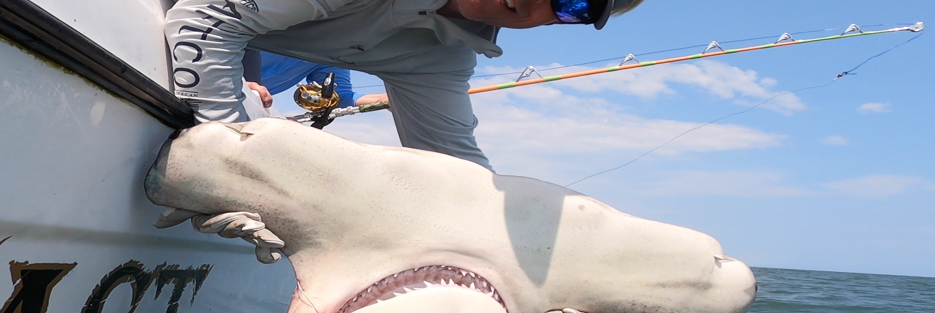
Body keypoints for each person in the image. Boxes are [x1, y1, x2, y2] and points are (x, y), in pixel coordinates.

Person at [165, 0, 646, 170]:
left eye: (574, 3)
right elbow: (199, 18)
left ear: (561, 24)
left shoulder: (446, 57)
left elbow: (457, 170)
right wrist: (225, 159)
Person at [241, 50, 390, 111]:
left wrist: (385, 100)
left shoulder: (329, 54)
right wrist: (236, 81)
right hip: (223, 87)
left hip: (246, 103)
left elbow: (338, 97)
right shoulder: (270, 17)